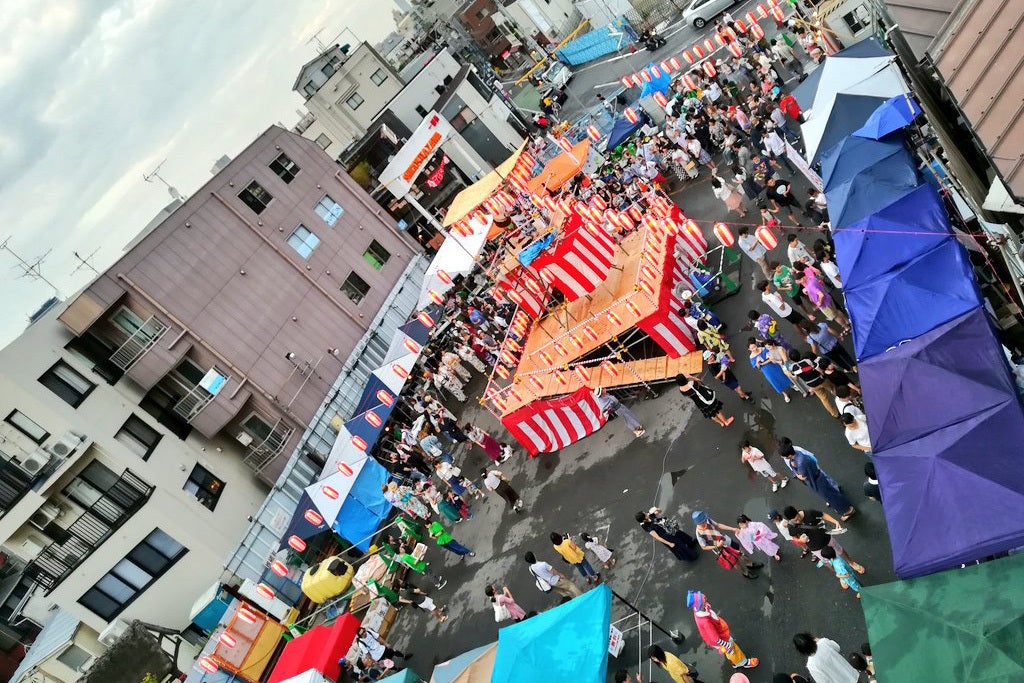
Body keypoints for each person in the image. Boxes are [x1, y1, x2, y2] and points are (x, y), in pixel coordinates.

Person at [779, 438, 856, 519]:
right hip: (818, 476)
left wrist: (796, 472)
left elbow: (802, 477)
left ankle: (848, 510)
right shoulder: (798, 454)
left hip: (816, 482)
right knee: (831, 493)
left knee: (830, 496)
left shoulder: (800, 463)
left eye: (783, 456)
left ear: (788, 455)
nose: (782, 457)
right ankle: (842, 507)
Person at [687, 590, 760, 669]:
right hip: (721, 638)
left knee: (730, 650)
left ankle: (734, 662)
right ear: (700, 605)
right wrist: (726, 645)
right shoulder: (705, 622)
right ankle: (743, 663)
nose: (704, 597)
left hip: (720, 632)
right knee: (732, 650)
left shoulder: (699, 609)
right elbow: (715, 638)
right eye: (703, 599)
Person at [692, 510, 760, 579]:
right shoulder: (699, 534)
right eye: (704, 520)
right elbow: (704, 547)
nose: (706, 520)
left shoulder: (708, 520)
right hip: (720, 550)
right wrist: (717, 546)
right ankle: (745, 573)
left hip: (726, 540)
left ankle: (749, 564)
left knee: (741, 551)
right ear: (699, 522)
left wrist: (732, 529)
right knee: (735, 562)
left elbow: (718, 525)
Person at [787, 349, 839, 418]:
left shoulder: (793, 368)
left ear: (791, 359)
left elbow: (795, 378)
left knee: (824, 399)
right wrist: (823, 374)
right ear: (799, 354)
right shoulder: (807, 361)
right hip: (821, 380)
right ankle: (843, 399)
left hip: (812, 385)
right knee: (833, 389)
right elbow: (818, 368)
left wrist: (789, 374)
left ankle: (835, 414)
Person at [792, 633, 860, 683]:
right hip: (850, 673)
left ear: (801, 651)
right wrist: (819, 640)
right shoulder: (823, 642)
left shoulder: (811, 665)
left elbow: (822, 681)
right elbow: (837, 647)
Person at [636, 510, 700, 561]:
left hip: (669, 528)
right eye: (645, 514)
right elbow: (658, 538)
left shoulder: (650, 516)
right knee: (680, 545)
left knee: (682, 535)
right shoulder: (648, 527)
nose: (647, 513)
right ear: (644, 519)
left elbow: (659, 511)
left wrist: (656, 509)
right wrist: (669, 543)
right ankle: (692, 556)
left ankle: (691, 544)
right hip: (667, 537)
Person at [749, 338, 795, 402]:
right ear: (749, 349)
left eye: (755, 346)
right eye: (752, 348)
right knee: (775, 381)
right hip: (766, 371)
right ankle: (785, 394)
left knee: (783, 374)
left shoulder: (763, 349)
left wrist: (762, 363)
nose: (754, 348)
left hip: (774, 364)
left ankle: (792, 384)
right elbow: (758, 367)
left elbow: (771, 357)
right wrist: (757, 362)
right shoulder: (751, 357)